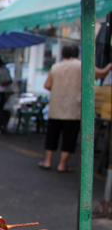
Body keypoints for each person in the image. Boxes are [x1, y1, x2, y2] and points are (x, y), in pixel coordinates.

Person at [39, 44, 112, 172]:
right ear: (77, 53)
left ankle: (47, 161)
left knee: (52, 135)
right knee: (69, 137)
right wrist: (109, 66)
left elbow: (47, 85)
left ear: (63, 54)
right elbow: (101, 74)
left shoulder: (56, 67)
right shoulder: (82, 66)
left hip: (56, 106)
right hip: (73, 108)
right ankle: (62, 165)